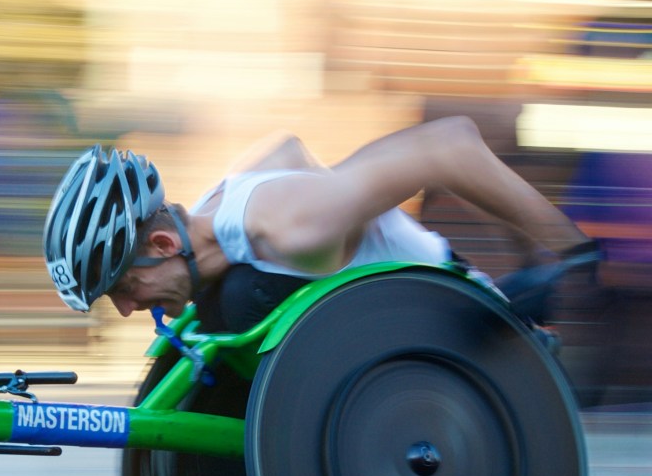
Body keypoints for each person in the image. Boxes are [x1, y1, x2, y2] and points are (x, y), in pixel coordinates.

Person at [42, 116, 600, 332]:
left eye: (122, 287)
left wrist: (562, 257)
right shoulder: (221, 204)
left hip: (455, 327)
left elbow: (448, 146)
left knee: (239, 298)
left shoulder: (293, 229)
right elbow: (285, 146)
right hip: (386, 325)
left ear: (164, 243)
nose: (126, 308)